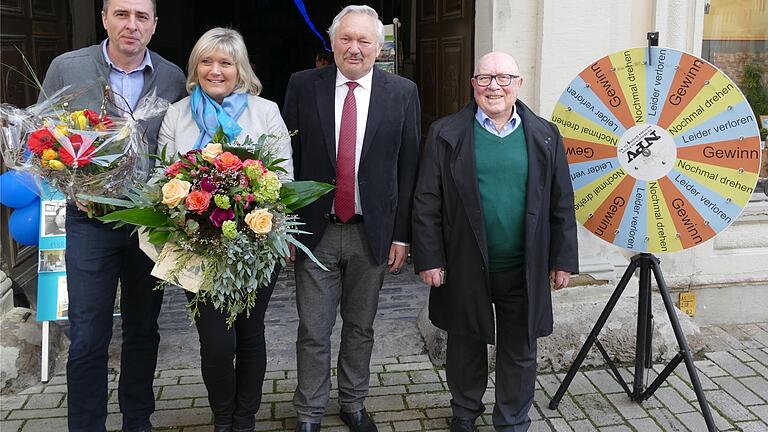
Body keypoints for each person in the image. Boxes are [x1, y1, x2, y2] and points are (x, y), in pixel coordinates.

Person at [38, 0, 186, 431]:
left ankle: (138, 421)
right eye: (122, 14)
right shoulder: (68, 68)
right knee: (87, 335)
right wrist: (73, 187)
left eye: (141, 17)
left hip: (147, 223)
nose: (131, 25)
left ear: (155, 25)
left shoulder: (173, 77)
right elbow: (39, 140)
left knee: (144, 330)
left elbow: (177, 147)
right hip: (90, 222)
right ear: (104, 19)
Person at [411, 52, 579, 432]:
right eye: (485, 78)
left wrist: (562, 259)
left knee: (520, 348)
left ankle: (512, 420)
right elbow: (426, 200)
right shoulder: (446, 133)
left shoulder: (545, 135)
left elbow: (561, 201)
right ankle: (464, 412)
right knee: (465, 342)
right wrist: (429, 257)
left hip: (524, 264)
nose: (494, 86)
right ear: (473, 84)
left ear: (518, 84)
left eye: (504, 78)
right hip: (464, 261)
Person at [282, 5, 420, 432]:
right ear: (333, 42)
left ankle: (354, 402)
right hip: (315, 232)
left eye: (364, 40)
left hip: (371, 234)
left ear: (379, 47)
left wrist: (402, 236)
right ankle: (308, 413)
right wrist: (286, 226)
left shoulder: (402, 92)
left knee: (360, 328)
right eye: (346, 39)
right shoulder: (303, 86)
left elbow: (409, 166)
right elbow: (286, 159)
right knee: (313, 330)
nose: (354, 48)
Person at [157, 27, 294, 432]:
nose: (215, 70)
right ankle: (223, 415)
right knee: (216, 342)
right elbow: (159, 181)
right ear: (195, 67)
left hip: (255, 244)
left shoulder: (264, 111)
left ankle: (245, 418)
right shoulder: (177, 114)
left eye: (225, 63)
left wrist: (251, 201)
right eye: (206, 61)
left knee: (250, 335)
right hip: (195, 247)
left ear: (241, 69)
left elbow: (283, 177)